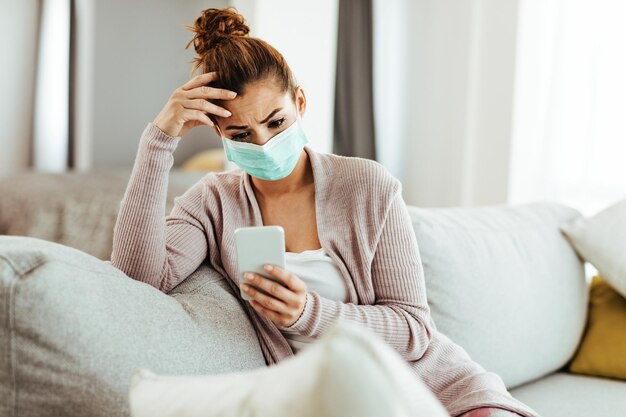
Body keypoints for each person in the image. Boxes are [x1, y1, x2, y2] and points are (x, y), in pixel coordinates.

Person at [110, 7, 540, 417]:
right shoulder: (213, 202)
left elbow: (413, 331)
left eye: (276, 122)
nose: (262, 143)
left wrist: (305, 313)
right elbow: (139, 278)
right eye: (241, 133)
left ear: (299, 102)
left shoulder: (366, 185)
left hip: (440, 393)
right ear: (217, 132)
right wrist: (159, 139)